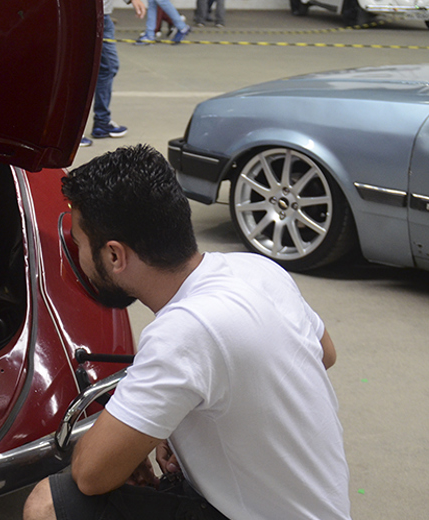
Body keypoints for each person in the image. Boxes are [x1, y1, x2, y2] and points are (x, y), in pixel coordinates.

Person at [23, 144, 351, 520]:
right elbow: (325, 354)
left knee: (49, 504)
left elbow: (91, 475)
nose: (77, 254)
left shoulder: (183, 331)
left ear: (114, 256)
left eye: (79, 244)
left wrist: (119, 442)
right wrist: (180, 424)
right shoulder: (256, 269)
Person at [82, 0, 147, 147]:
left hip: (99, 15)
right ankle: (70, 132)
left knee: (107, 67)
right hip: (88, 15)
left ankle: (102, 121)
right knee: (80, 71)